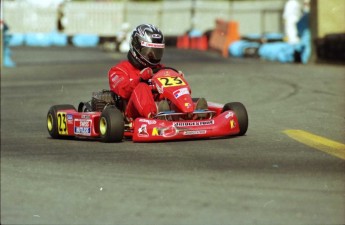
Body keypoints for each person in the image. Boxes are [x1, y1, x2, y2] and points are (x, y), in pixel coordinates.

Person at [108, 24, 207, 121]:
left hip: (163, 107)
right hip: (132, 114)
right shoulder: (119, 70)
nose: (153, 57)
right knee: (142, 87)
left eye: (157, 52)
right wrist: (140, 79)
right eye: (150, 52)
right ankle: (154, 115)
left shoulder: (161, 69)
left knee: (172, 88)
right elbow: (124, 91)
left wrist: (177, 79)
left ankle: (190, 113)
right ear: (137, 48)